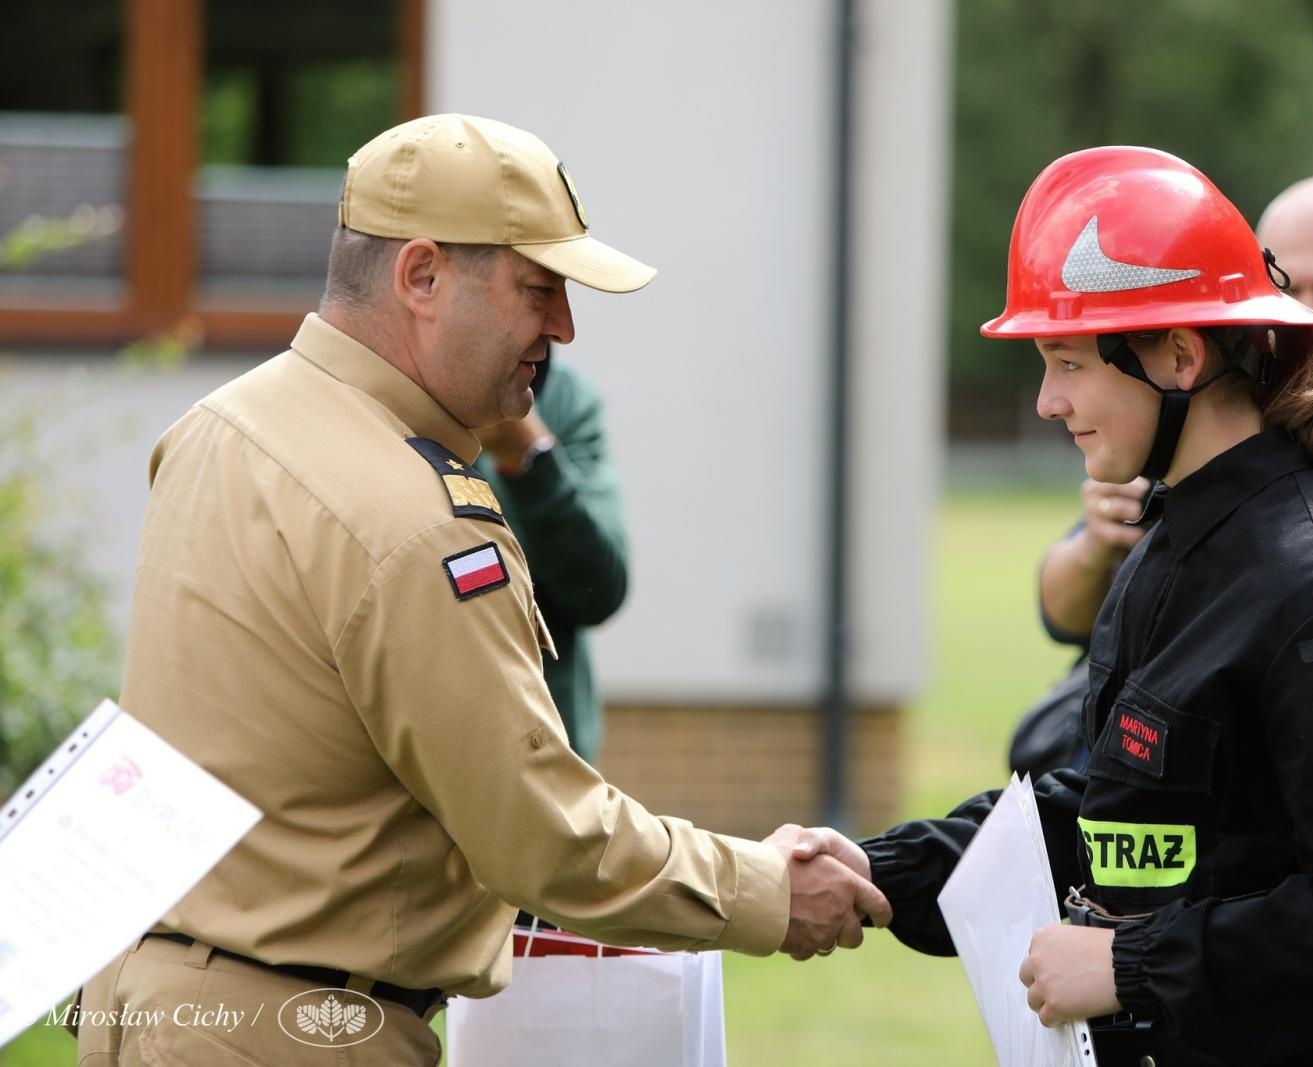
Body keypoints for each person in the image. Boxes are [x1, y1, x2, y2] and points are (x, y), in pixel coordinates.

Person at [75, 114, 887, 1066]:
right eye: (537, 288)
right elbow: (544, 838)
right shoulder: (416, 519)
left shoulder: (219, 428)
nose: (565, 327)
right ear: (421, 277)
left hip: (150, 1000)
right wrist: (763, 887)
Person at [799, 146, 1313, 1065]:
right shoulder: (1173, 540)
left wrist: (1133, 962)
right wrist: (877, 870)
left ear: (1180, 357)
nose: (1045, 400)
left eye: (1068, 361)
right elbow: (1117, 818)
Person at [1012, 172, 1313, 781]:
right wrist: (1098, 546)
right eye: (1286, 284)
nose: (1305, 310)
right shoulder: (1198, 420)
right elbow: (1061, 616)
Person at [475, 350, 626, 764]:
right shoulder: (388, 401)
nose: (562, 325)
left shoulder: (560, 396)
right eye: (536, 289)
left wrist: (533, 460)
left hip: (551, 755)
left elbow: (601, 590)